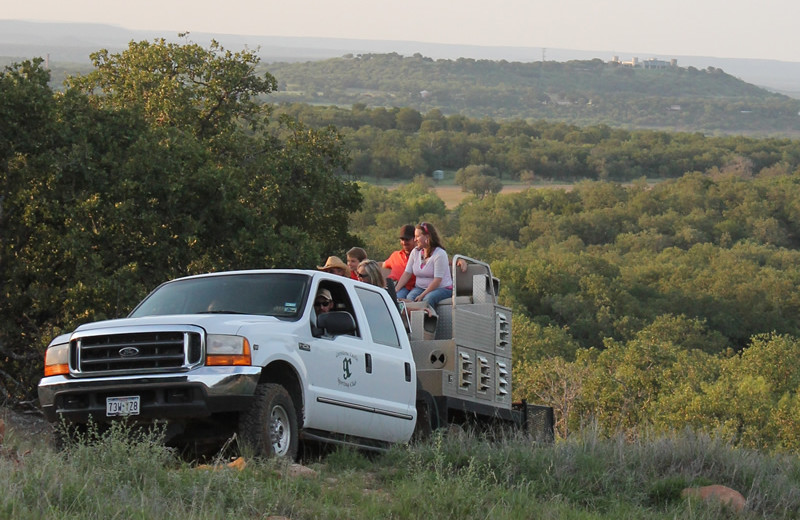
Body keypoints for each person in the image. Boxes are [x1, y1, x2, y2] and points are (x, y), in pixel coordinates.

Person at [394, 222, 453, 308]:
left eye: (417, 236)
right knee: (410, 297)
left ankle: (429, 319)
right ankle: (413, 319)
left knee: (428, 299)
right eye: (414, 236)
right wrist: (396, 290)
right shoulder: (415, 252)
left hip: (441, 288)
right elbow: (407, 273)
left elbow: (437, 280)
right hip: (420, 288)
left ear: (427, 236)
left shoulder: (440, 254)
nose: (415, 240)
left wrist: (422, 295)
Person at [383, 224, 416, 299]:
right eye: (402, 239)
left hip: (408, 288)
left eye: (407, 240)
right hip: (392, 284)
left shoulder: (419, 255)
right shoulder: (395, 255)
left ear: (414, 239)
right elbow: (383, 264)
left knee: (398, 298)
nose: (404, 242)